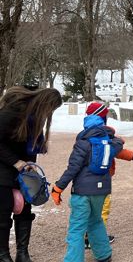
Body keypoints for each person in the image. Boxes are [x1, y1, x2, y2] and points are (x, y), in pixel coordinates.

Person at [0, 87, 62, 262]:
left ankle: (22, 253)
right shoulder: (13, 111)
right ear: (45, 103)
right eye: (51, 109)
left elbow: (30, 145)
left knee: (26, 210)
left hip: (22, 166)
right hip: (3, 165)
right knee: (3, 212)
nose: (50, 113)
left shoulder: (35, 116)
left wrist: (30, 166)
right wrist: (16, 162)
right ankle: (3, 255)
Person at [52, 113, 123, 262]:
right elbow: (119, 141)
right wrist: (108, 133)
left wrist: (58, 188)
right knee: (96, 221)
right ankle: (104, 255)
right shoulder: (110, 144)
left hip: (82, 192)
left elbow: (72, 169)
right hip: (102, 191)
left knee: (77, 228)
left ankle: (73, 260)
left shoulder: (83, 144)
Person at [83, 102, 133, 249]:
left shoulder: (84, 134)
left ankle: (87, 235)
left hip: (85, 179)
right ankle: (96, 238)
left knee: (88, 207)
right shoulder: (104, 134)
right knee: (102, 207)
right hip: (102, 179)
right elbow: (117, 151)